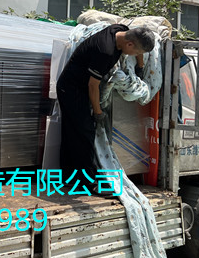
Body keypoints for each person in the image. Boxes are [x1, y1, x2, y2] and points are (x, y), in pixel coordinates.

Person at [56, 24, 155, 191]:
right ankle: (89, 183)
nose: (135, 55)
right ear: (129, 44)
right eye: (136, 52)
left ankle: (68, 177)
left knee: (72, 131)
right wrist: (98, 112)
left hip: (77, 87)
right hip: (72, 89)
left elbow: (138, 45)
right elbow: (93, 85)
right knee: (85, 131)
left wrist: (139, 67)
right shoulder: (105, 51)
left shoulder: (120, 30)